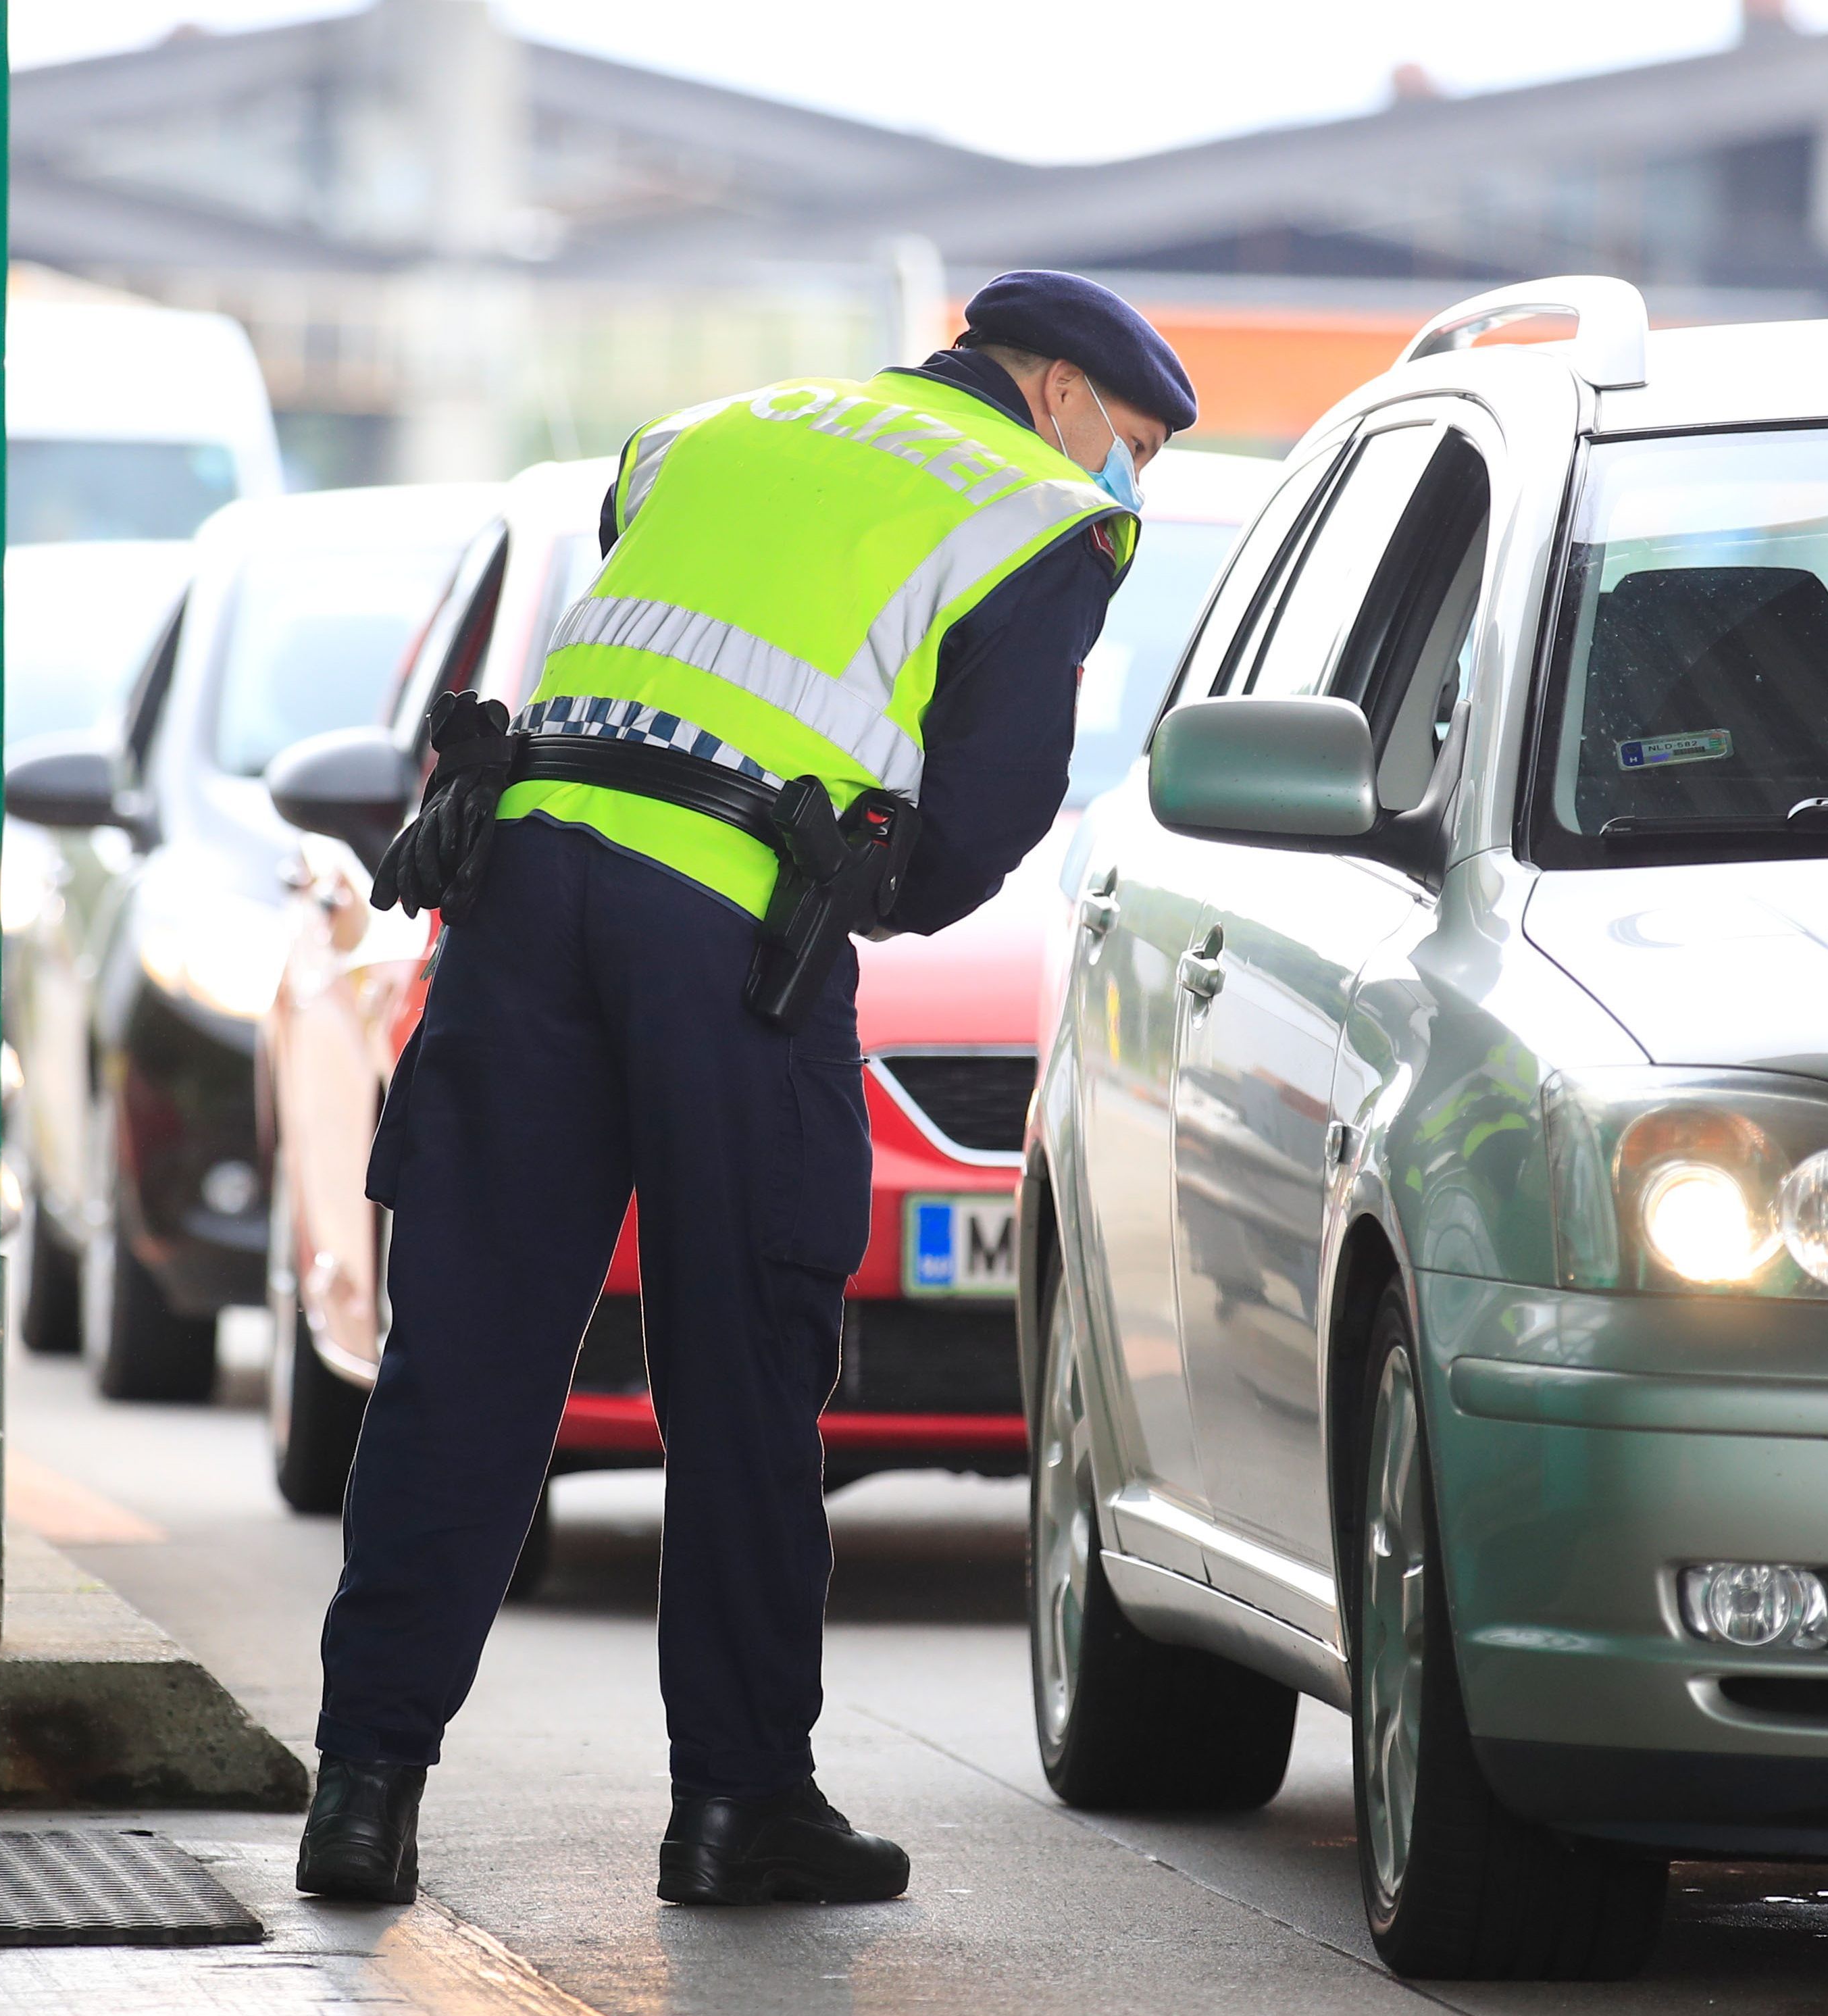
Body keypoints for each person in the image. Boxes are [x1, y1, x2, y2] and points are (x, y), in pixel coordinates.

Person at [293, 272, 1194, 1909]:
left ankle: (361, 1797)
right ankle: (738, 1807)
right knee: (743, 1377)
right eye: (1134, 439)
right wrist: (868, 888)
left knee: (464, 1366)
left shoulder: (704, 432)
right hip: (720, 941)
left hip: (522, 893)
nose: (1135, 476)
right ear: (1061, 395)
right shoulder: (1037, 513)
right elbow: (985, 817)